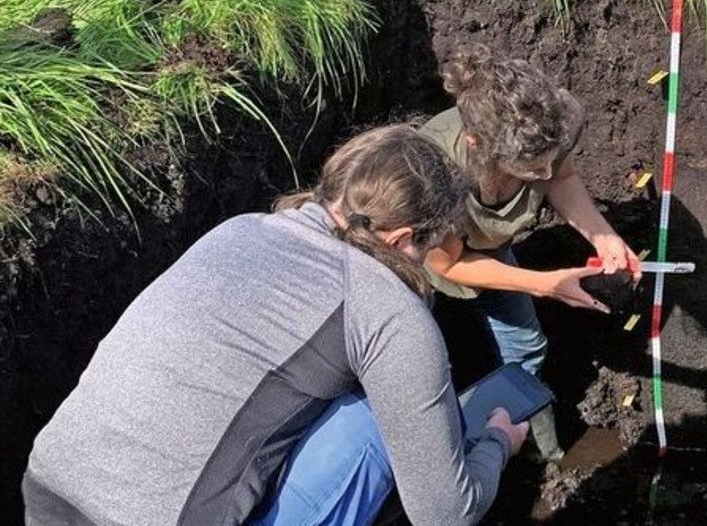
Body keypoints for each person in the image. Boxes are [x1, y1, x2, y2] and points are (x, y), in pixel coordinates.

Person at [24, 125, 527, 526]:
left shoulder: (240, 229)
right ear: (400, 241)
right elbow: (445, 514)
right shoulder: (388, 311)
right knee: (371, 425)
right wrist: (497, 444)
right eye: (431, 245)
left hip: (49, 491)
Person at [418, 44, 641, 460]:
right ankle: (446, 457)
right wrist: (543, 285)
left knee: (527, 346)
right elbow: (447, 264)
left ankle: (537, 450)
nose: (544, 175)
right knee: (427, 367)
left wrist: (602, 235)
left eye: (548, 161)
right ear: (477, 143)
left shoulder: (548, 123)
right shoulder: (435, 168)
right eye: (531, 169)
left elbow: (563, 177)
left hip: (487, 248)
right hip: (412, 267)